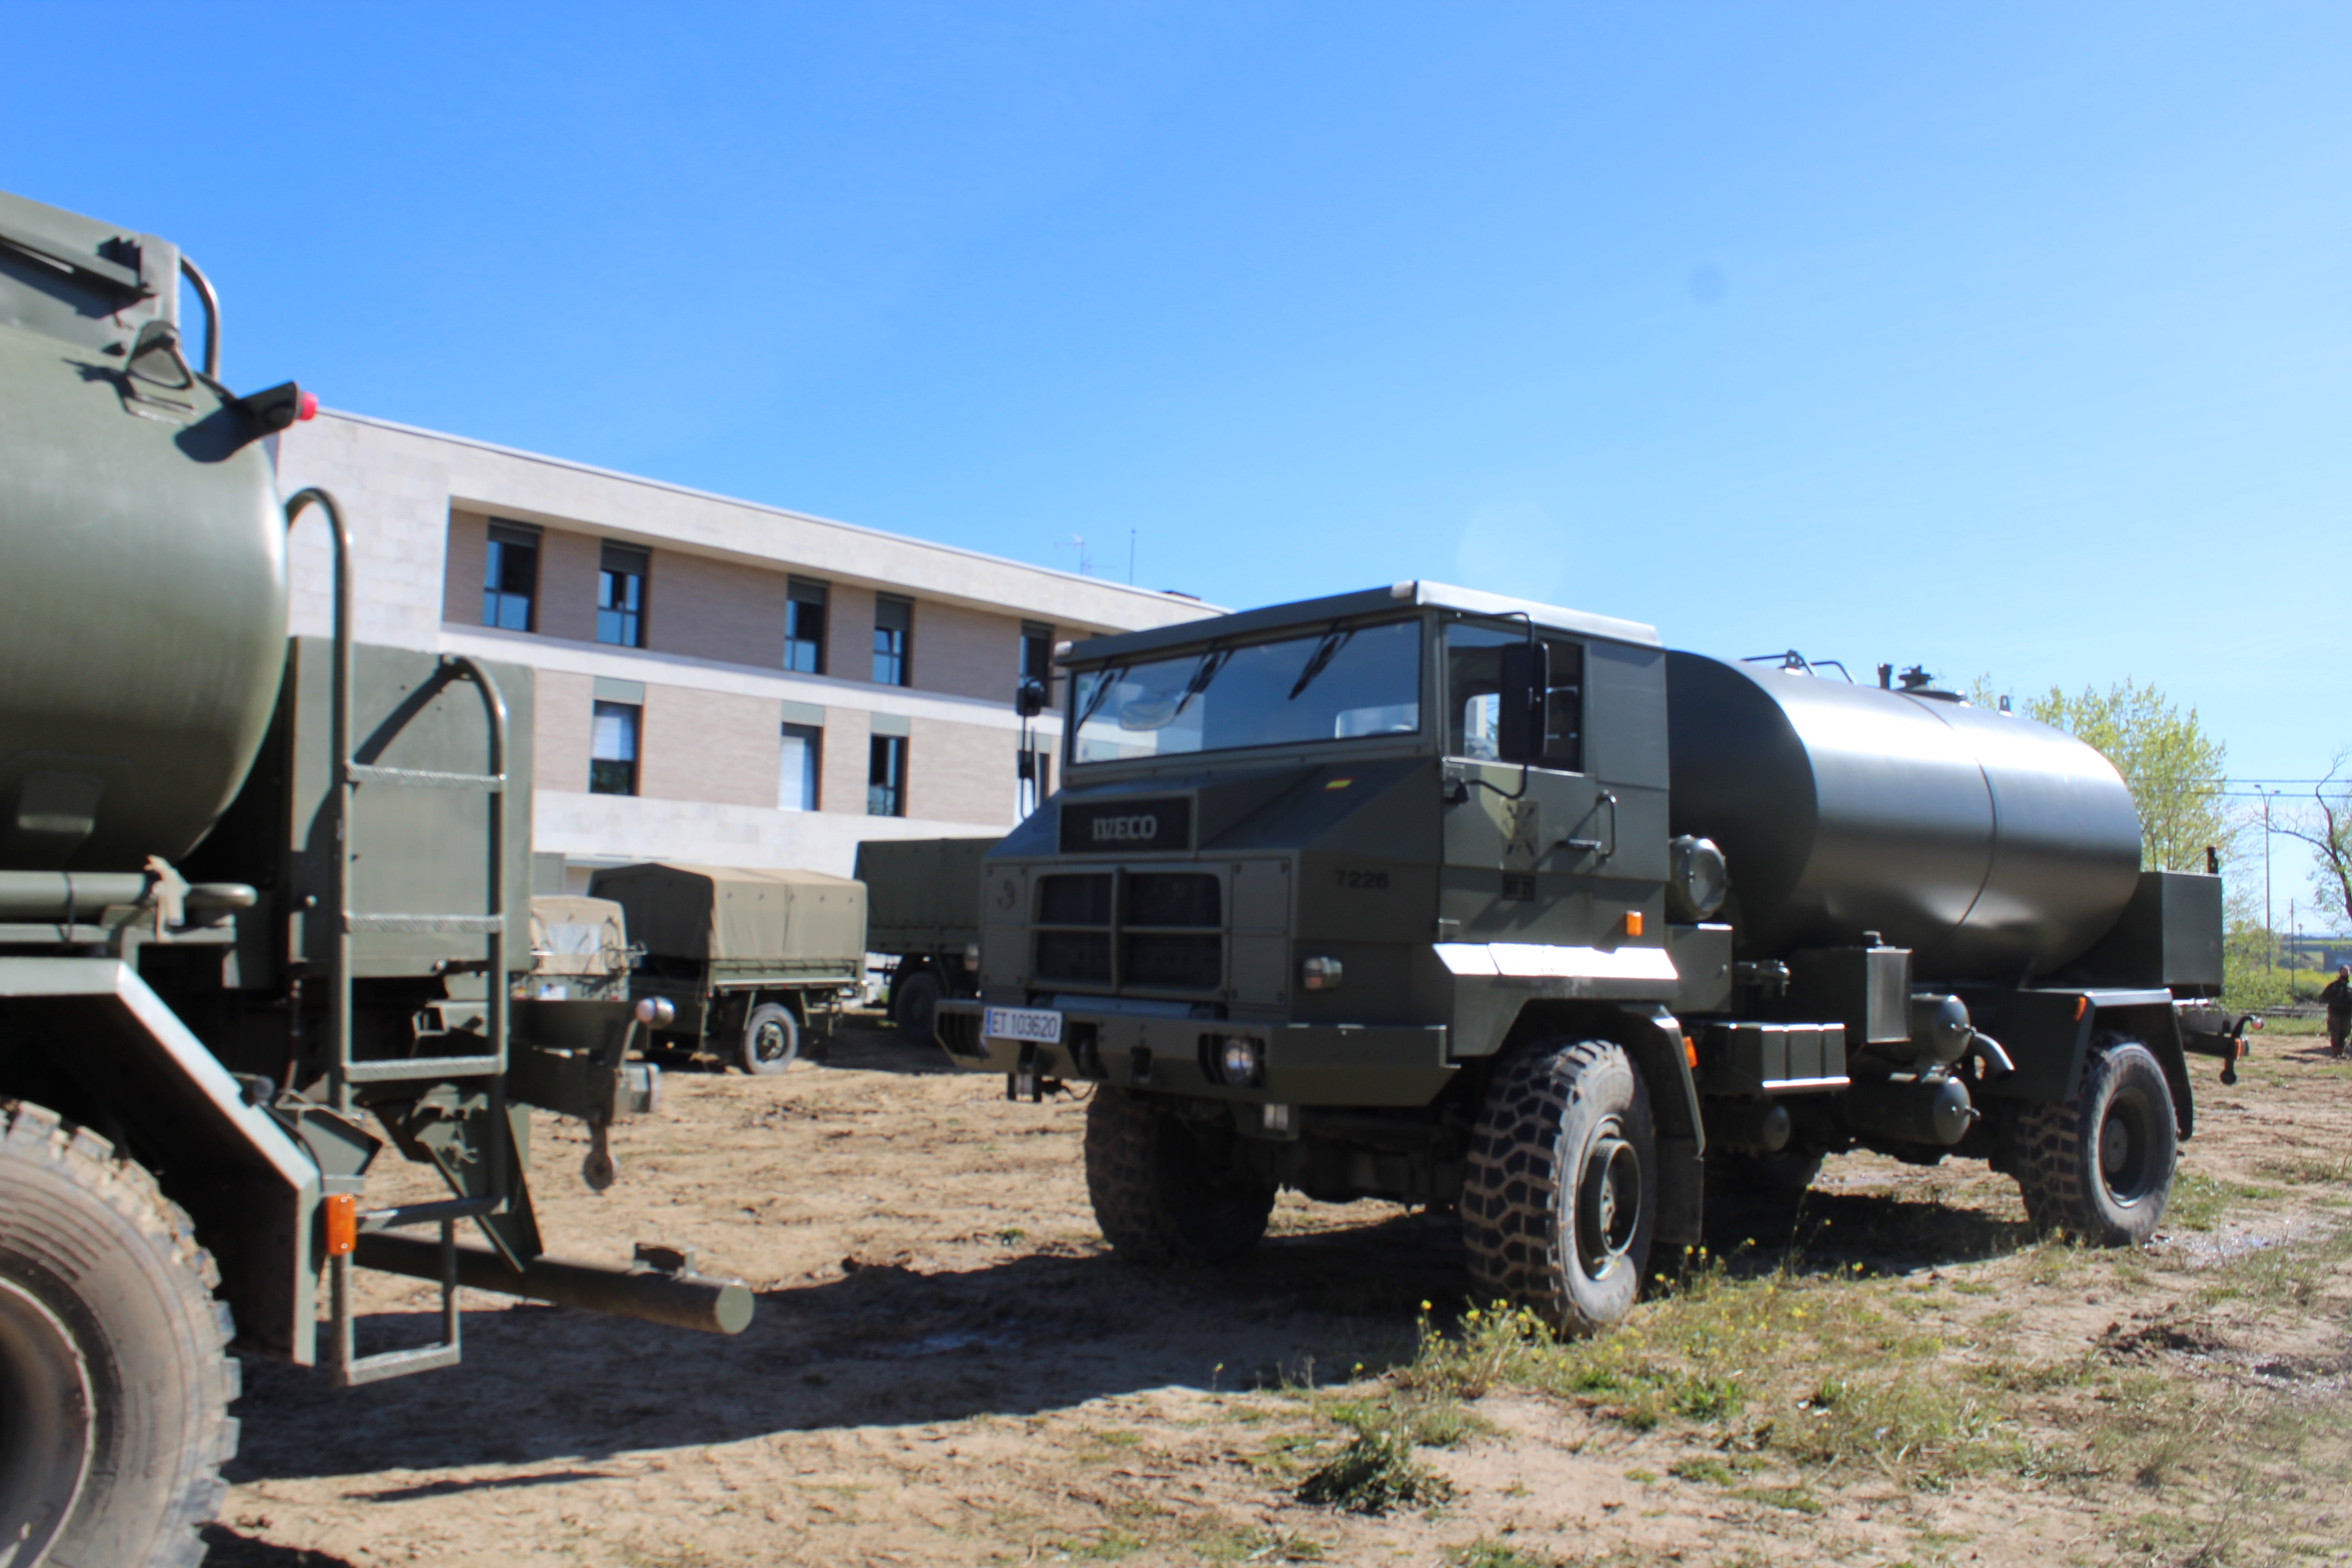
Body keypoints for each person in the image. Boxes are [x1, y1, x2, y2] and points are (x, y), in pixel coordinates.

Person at [2324, 963, 2352, 1059]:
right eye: (2343, 971)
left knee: (2345, 1033)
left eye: (2347, 972)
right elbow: (2324, 997)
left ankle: (2341, 1053)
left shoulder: (2351, 987)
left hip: (2347, 1014)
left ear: (2349, 973)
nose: (2345, 973)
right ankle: (2335, 1053)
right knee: (2335, 1033)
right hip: (2335, 1013)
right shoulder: (2334, 986)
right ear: (2340, 973)